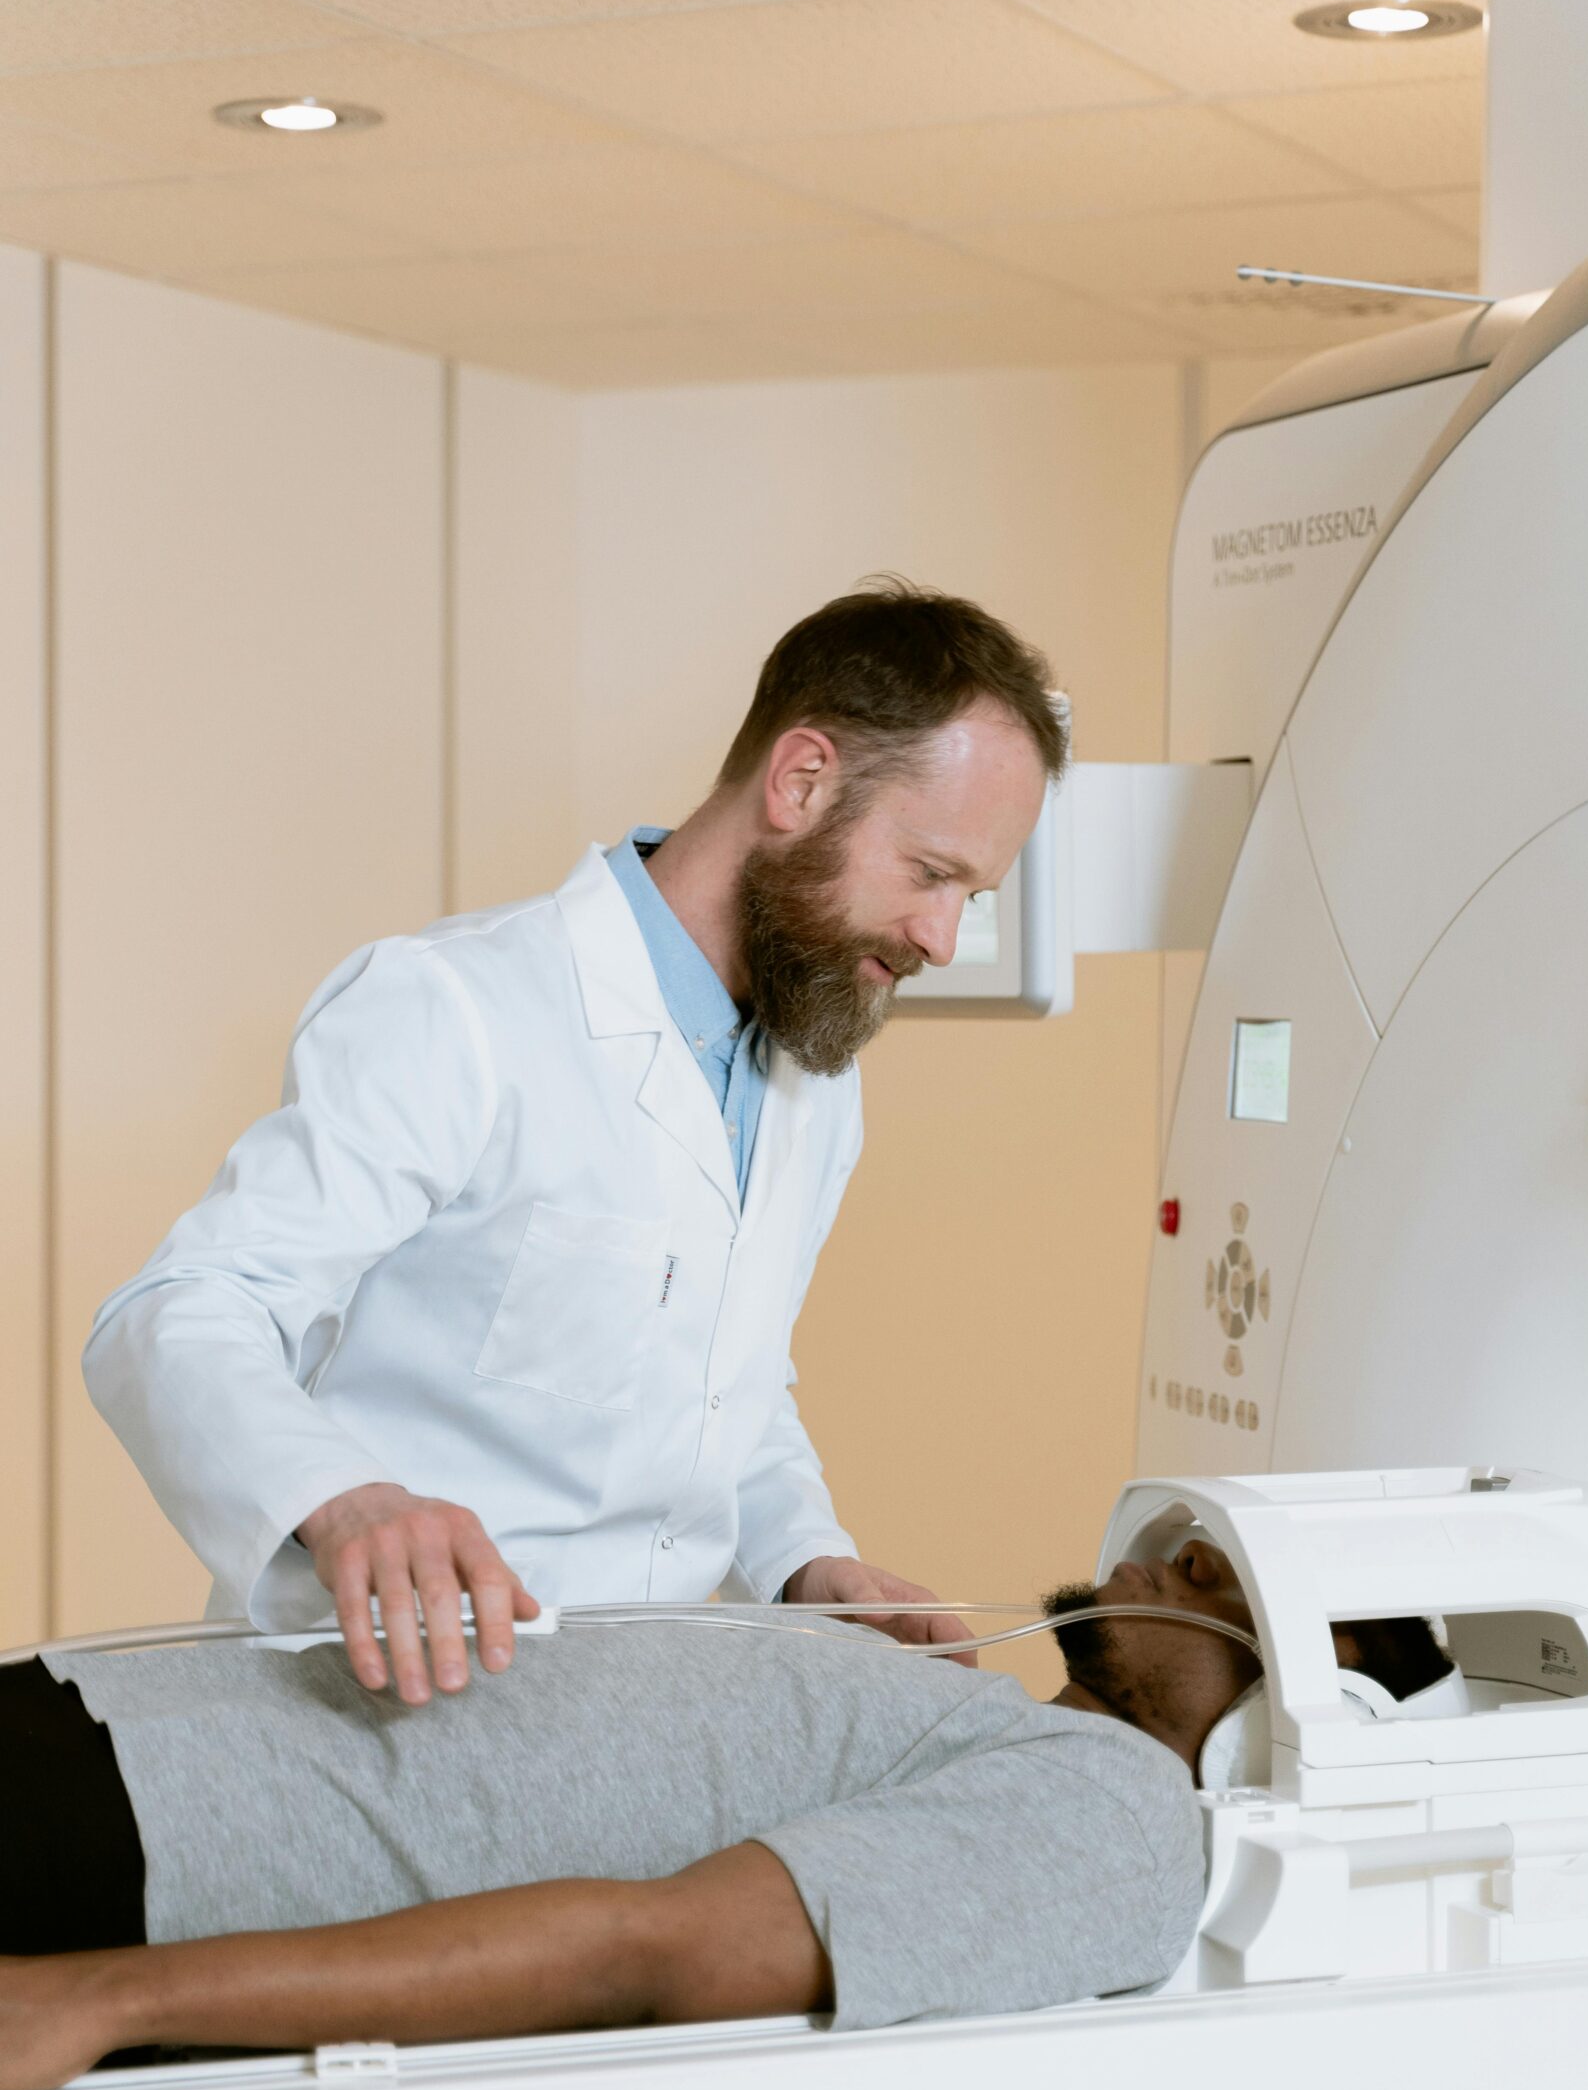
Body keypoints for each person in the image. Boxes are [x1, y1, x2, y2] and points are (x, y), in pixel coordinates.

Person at [82, 583, 1067, 1705]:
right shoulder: (460, 1007)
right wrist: (344, 1498)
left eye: (970, 897)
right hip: (372, 1711)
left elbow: (723, 1383)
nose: (942, 936)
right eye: (932, 874)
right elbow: (182, 1308)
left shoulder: (811, 1078)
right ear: (802, 781)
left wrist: (803, 1561)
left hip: (625, 1722)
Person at [0, 1541, 1450, 2090]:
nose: (1167, 1555)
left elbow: (657, 1952)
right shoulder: (991, 1725)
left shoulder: (1131, 1823)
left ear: (1319, 1710)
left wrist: (105, 1998)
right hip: (113, 1739)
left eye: (1219, 1579)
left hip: (149, 1852)